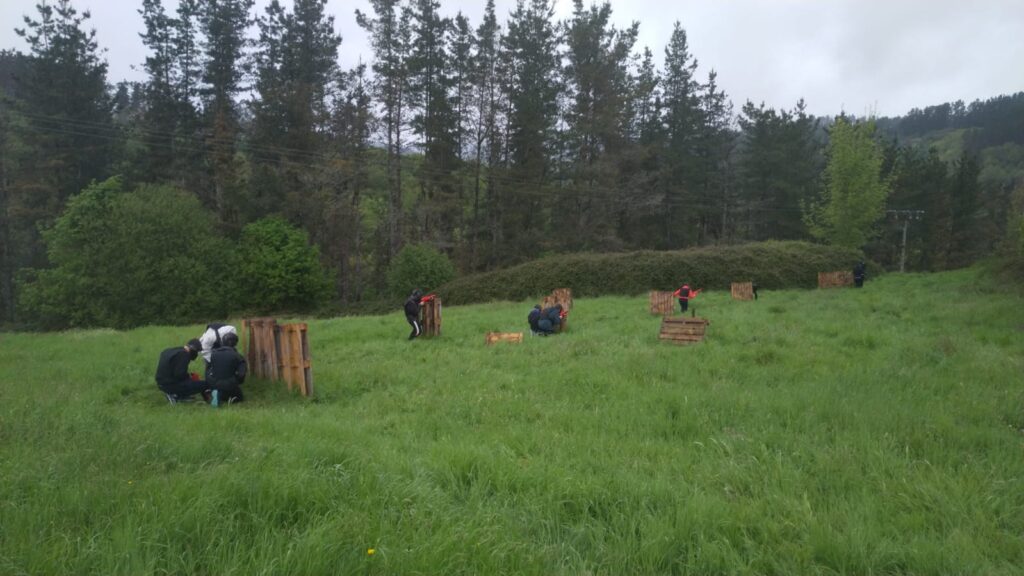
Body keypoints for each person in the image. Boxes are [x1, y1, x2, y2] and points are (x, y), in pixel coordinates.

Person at [155, 338, 208, 403]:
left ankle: (180, 395)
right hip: (170, 385)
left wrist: (188, 376)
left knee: (190, 381)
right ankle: (175, 395)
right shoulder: (184, 355)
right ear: (193, 349)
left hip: (161, 383)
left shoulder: (171, 350)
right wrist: (189, 377)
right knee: (204, 384)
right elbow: (179, 375)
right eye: (197, 351)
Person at [205, 332, 247, 405]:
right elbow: (241, 374)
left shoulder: (213, 354)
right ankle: (226, 397)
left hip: (213, 382)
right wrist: (237, 381)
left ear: (223, 342)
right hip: (229, 383)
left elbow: (208, 369)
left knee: (221, 386)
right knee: (239, 398)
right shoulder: (238, 356)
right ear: (235, 343)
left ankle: (216, 392)